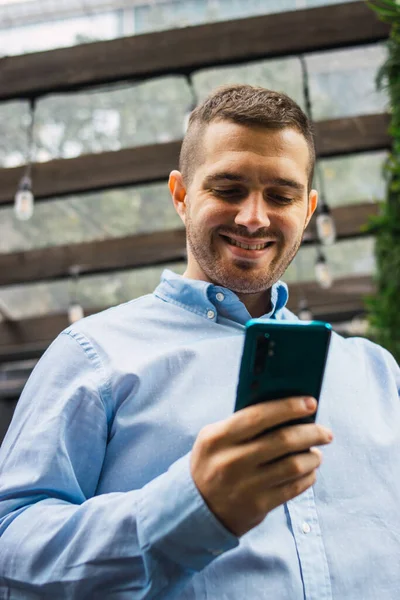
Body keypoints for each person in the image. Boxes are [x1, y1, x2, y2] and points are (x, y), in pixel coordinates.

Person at [0, 84, 399, 600]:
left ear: (308, 208)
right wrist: (189, 507)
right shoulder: (92, 354)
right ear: (181, 195)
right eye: (228, 189)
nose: (254, 217)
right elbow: (10, 541)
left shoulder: (377, 373)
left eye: (281, 196)